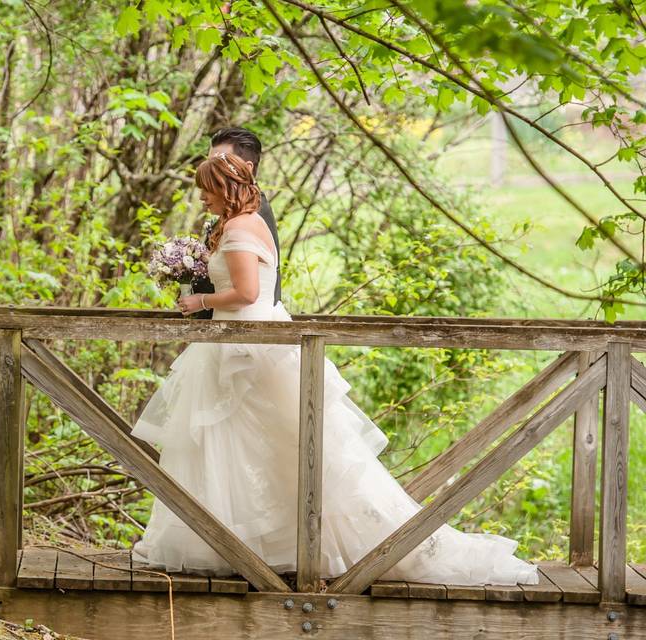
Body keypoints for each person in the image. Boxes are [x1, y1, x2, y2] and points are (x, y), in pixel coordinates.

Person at [129, 152, 539, 587]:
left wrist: (200, 301)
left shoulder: (237, 227)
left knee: (273, 450)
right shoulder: (251, 225)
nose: (202, 198)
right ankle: (247, 546)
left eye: (206, 189)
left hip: (250, 347)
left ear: (225, 188)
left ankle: (297, 547)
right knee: (256, 451)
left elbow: (247, 291)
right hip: (247, 343)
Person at [190, 127, 281, 319]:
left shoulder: (251, 215)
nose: (213, 168)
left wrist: (202, 301)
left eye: (219, 163)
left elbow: (248, 291)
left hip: (241, 327)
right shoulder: (235, 213)